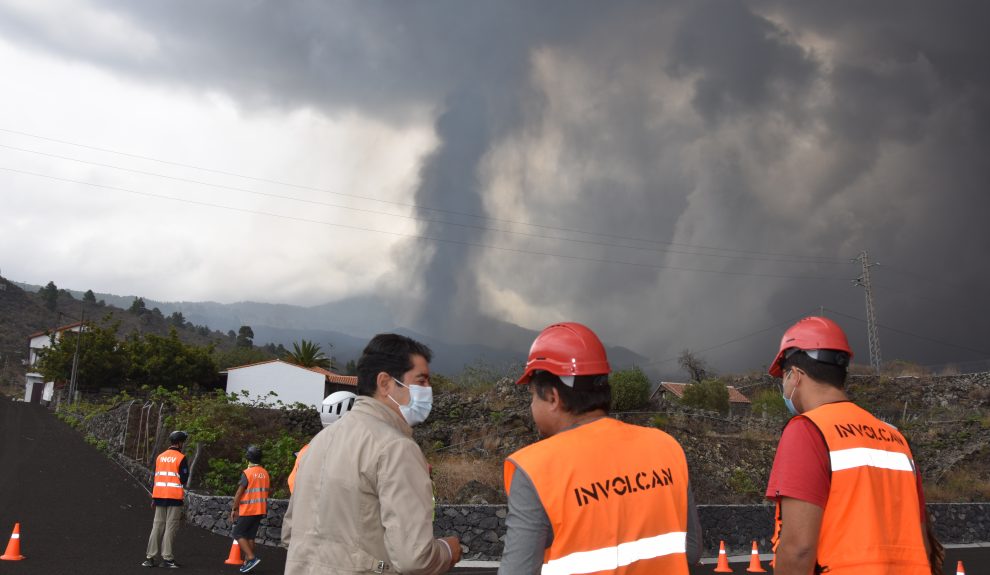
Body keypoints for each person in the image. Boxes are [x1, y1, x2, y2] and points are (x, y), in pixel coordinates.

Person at [499, 322, 702, 574]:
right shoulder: (666, 447)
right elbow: (691, 550)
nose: (531, 406)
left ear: (553, 397)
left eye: (532, 396)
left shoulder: (536, 468)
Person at [282, 333, 461, 574]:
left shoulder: (318, 443)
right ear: (385, 383)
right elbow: (414, 559)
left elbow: (289, 534)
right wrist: (447, 551)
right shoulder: (396, 448)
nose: (429, 390)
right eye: (421, 381)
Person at [765, 316, 931, 574]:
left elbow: (799, 548)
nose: (784, 388)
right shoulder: (896, 438)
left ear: (796, 376)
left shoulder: (808, 429)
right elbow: (923, 542)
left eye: (783, 379)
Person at [143, 430, 189, 568]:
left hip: (159, 496)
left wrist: (154, 497)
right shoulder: (181, 458)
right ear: (180, 443)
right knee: (171, 527)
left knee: (157, 526)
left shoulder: (160, 457)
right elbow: (184, 478)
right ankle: (167, 559)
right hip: (174, 497)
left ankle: (150, 558)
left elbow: (156, 477)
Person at [229, 445, 270, 573]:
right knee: (250, 537)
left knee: (237, 533)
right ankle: (248, 563)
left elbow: (239, 493)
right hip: (260, 509)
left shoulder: (247, 473)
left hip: (249, 509)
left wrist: (234, 509)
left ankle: (251, 558)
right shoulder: (265, 473)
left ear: (248, 457)